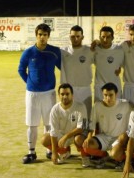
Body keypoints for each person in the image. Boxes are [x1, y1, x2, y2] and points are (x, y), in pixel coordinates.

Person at [18, 23, 61, 164]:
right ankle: (31, 152)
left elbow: (63, 68)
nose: (42, 37)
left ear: (48, 36)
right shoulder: (28, 52)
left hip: (49, 93)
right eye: (40, 34)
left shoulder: (54, 51)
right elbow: (21, 70)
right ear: (36, 35)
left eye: (45, 35)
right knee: (32, 124)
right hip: (32, 94)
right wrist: (30, 82)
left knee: (49, 124)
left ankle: (49, 150)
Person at [82, 82, 132, 169]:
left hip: (119, 138)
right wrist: (89, 136)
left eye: (111, 95)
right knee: (87, 145)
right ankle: (104, 156)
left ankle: (122, 160)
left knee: (115, 154)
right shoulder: (97, 106)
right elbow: (92, 123)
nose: (108, 98)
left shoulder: (125, 105)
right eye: (105, 95)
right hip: (104, 137)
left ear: (116, 94)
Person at [41, 83, 88, 164]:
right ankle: (64, 152)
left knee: (79, 139)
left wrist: (66, 136)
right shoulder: (54, 110)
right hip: (61, 135)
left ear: (72, 95)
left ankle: (85, 157)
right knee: (44, 139)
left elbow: (82, 127)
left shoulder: (81, 106)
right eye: (62, 94)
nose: (65, 96)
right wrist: (54, 153)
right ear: (59, 95)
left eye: (67, 94)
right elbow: (53, 132)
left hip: (75, 135)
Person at [60, 25, 94, 118]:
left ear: (82, 37)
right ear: (69, 36)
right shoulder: (63, 51)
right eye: (72, 36)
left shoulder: (89, 51)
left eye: (78, 36)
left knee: (86, 115)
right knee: (70, 116)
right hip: (70, 90)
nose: (75, 39)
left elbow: (102, 60)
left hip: (85, 89)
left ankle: (86, 132)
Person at [93, 26, 124, 101]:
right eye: (103, 37)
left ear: (112, 38)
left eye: (108, 37)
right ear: (99, 37)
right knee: (100, 112)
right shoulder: (95, 50)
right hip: (100, 88)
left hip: (115, 87)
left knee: (116, 111)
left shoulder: (120, 50)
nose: (105, 40)